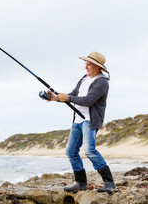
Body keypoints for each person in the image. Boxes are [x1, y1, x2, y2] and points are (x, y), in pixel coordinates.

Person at [48, 51, 116, 193]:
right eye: (85, 64)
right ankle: (81, 183)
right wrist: (55, 98)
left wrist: (67, 97)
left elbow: (89, 100)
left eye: (88, 64)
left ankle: (109, 183)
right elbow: (73, 95)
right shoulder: (84, 78)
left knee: (90, 151)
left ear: (97, 67)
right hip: (77, 120)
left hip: (89, 121)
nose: (85, 67)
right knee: (71, 151)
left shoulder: (102, 82)